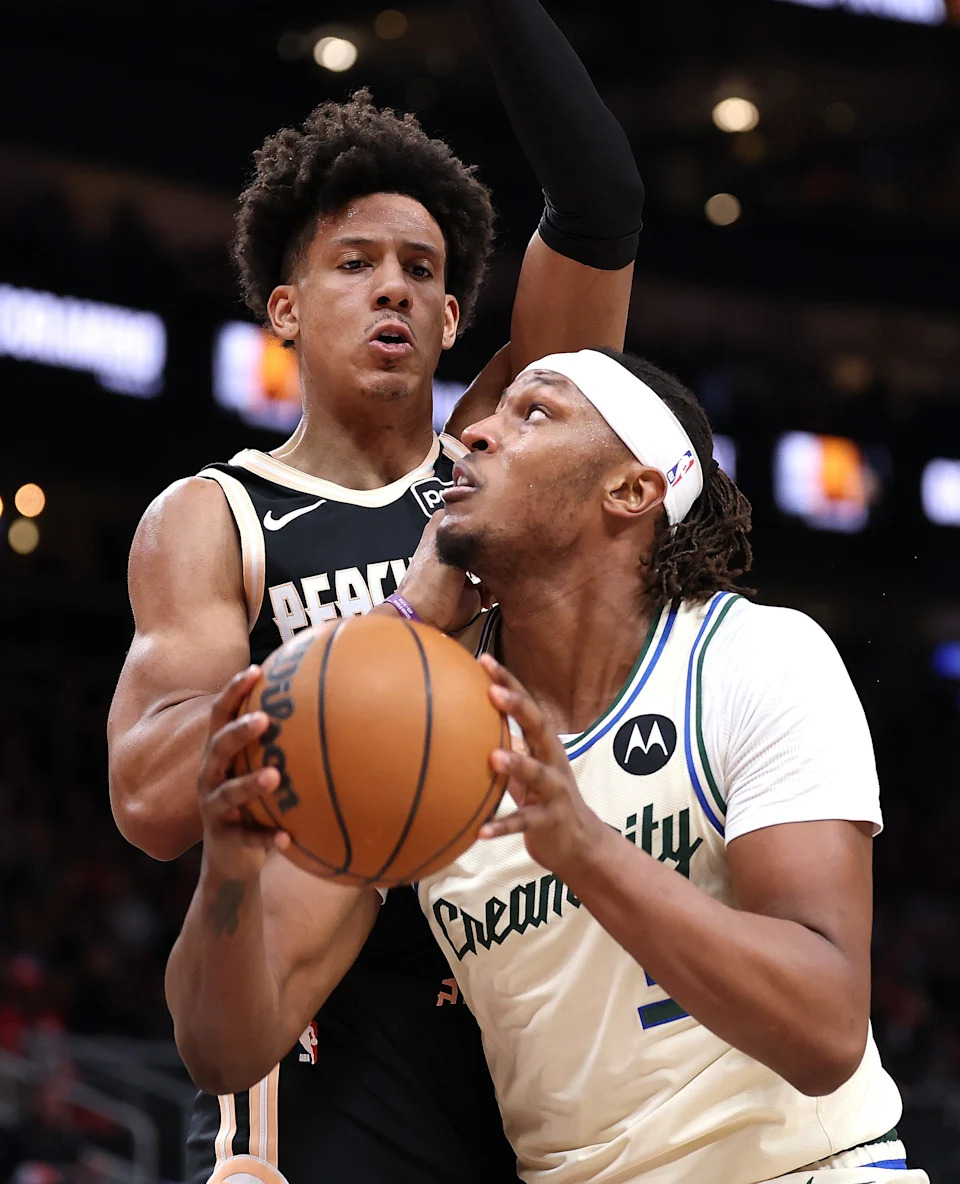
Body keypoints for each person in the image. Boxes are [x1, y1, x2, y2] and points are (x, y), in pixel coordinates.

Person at [107, 0, 645, 1179]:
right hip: (316, 1040)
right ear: (286, 308)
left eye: (420, 271)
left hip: (520, 1007)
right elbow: (148, 793)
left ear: (455, 319)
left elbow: (599, 208)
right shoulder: (217, 515)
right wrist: (371, 661)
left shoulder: (502, 469)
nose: (391, 290)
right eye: (354, 264)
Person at [174, 346, 929, 1183]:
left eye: (534, 413)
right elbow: (224, 1048)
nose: (475, 437)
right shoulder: (426, 721)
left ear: (633, 489)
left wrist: (588, 853)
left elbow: (826, 1032)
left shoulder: (754, 656)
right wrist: (230, 873)